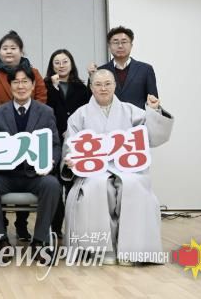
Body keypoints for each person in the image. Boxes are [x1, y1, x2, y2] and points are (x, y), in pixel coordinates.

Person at [62, 69, 173, 265]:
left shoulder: (131, 111)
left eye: (107, 84)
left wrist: (154, 110)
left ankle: (134, 251)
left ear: (115, 86)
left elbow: (153, 137)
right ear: (91, 87)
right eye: (98, 84)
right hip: (94, 170)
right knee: (97, 187)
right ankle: (102, 250)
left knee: (134, 186)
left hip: (127, 167)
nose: (103, 88)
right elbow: (70, 146)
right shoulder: (79, 116)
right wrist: (70, 160)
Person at [0, 65, 61, 264]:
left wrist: (51, 161)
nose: (21, 86)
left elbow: (55, 144)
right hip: (5, 175)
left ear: (33, 85)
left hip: (35, 175)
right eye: (16, 82)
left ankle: (39, 241)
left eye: (25, 82)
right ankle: (0, 241)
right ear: (10, 85)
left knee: (52, 184)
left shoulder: (46, 112)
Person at [0, 30, 48, 241]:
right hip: (1, 131)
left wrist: (30, 114)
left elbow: (41, 96)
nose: (9, 52)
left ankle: (23, 225)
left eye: (13, 48)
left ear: (21, 51)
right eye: (5, 48)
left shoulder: (33, 72)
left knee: (31, 172)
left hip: (29, 130)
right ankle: (1, 228)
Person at [44, 49, 91, 237]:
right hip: (53, 140)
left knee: (73, 185)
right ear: (51, 66)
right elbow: (48, 110)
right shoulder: (46, 86)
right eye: (57, 62)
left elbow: (85, 112)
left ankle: (74, 227)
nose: (61, 65)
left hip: (75, 141)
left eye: (65, 61)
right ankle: (55, 228)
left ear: (71, 64)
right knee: (55, 184)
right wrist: (54, 89)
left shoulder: (81, 88)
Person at [88, 26, 158, 109]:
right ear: (109, 46)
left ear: (131, 45)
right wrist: (91, 76)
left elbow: (153, 100)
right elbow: (91, 100)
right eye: (115, 42)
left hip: (138, 117)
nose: (120, 46)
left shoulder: (145, 69)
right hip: (109, 116)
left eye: (124, 42)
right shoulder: (101, 71)